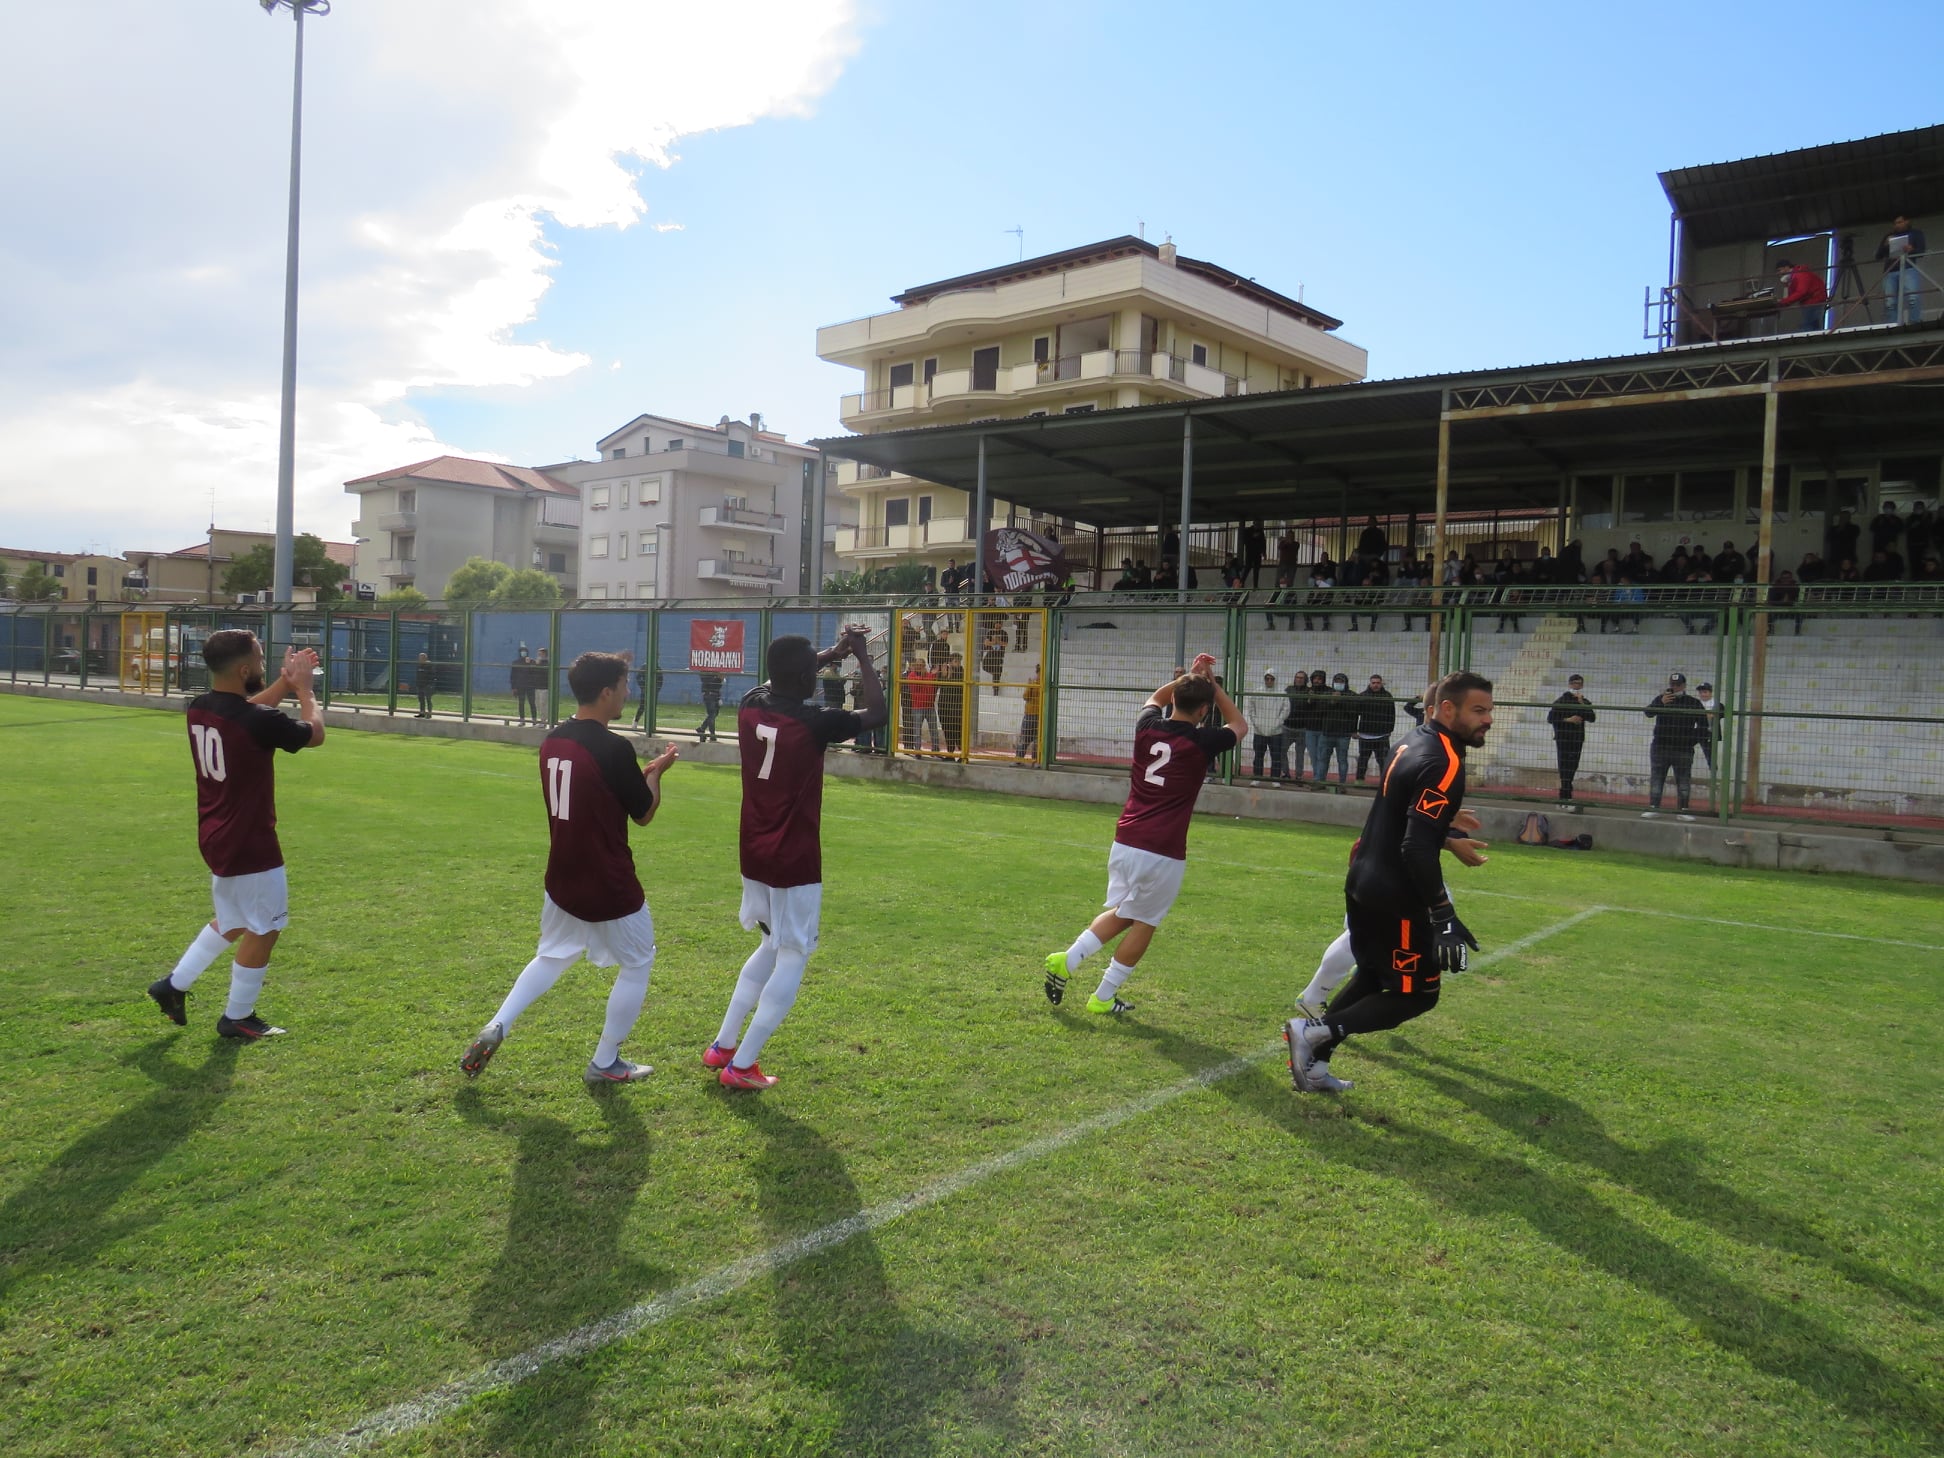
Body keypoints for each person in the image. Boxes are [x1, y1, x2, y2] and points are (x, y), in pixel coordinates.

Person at [459, 654, 679, 1085]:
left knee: (552, 955)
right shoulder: (613, 747)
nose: (628, 692)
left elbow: (596, 793)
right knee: (638, 963)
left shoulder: (553, 739)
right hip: (608, 880)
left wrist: (638, 775)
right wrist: (656, 775)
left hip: (562, 877)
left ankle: (498, 1024)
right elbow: (644, 813)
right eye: (624, 684)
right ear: (606, 692)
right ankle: (606, 1062)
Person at [1287, 670, 1493, 1092]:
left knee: (1372, 975)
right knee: (1418, 994)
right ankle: (1311, 1033)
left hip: (1363, 876)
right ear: (1447, 709)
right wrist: (1443, 915)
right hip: (1395, 894)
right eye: (1478, 710)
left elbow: (1404, 811)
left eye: (1489, 710)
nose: (1487, 719)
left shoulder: (1412, 740)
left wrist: (1447, 829)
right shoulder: (1445, 762)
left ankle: (1315, 1066)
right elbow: (1415, 847)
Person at [705, 629, 887, 1089]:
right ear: (807, 676)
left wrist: (831, 653)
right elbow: (878, 714)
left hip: (754, 850)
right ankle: (741, 1066)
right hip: (793, 857)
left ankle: (723, 1045)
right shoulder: (815, 721)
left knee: (770, 945)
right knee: (793, 953)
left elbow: (782, 677)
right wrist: (861, 657)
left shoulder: (750, 702)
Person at [1041, 660, 1246, 1015]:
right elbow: (1239, 725)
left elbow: (1154, 699)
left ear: (1174, 698)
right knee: (1146, 922)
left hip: (1126, 838)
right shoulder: (1202, 741)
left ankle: (1067, 961)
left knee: (1127, 913)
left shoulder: (1148, 726)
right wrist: (1212, 686)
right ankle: (1103, 997)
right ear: (1203, 710)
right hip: (1162, 848)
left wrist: (1186, 680)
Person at [149, 630, 325, 1039]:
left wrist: (283, 682)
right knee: (265, 928)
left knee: (232, 920)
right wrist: (304, 690)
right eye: (260, 660)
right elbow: (314, 733)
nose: (263, 665)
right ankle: (238, 1017)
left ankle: (172, 986)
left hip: (216, 832)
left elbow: (246, 714)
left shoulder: (200, 707)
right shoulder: (255, 720)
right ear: (244, 670)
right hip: (249, 840)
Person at [1292, 805, 1490, 1024]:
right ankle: (1316, 1000)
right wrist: (1449, 837)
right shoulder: (1425, 785)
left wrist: (1447, 824)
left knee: (1365, 930)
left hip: (1384, 854)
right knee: (1367, 931)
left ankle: (1322, 997)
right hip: (1384, 856)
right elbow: (1402, 821)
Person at [1642, 672, 1705, 820]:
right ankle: (1654, 807)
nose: (1675, 687)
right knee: (1657, 779)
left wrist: (1690, 741)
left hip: (1683, 749)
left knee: (1683, 781)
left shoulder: (1693, 703)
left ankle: (1683, 810)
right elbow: (1648, 713)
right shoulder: (1661, 699)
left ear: (1684, 685)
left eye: (1678, 685)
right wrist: (1660, 703)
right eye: (1673, 685)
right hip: (1661, 747)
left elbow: (1703, 725)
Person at [1547, 673, 1596, 810]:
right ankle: (1565, 796)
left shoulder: (1584, 701)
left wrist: (1582, 704)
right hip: (1563, 738)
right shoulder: (1561, 701)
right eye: (1574, 683)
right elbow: (1551, 718)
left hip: (1577, 739)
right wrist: (1568, 720)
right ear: (1569, 684)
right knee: (1564, 767)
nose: (1576, 686)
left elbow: (1592, 717)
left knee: (1573, 766)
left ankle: (1566, 796)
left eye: (1579, 683)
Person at [1874, 214, 1927, 327]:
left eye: (1899, 222)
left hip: (1908, 268)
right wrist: (1885, 245)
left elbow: (1921, 251)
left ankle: (1914, 323)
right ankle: (1893, 325)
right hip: (1890, 271)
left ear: (1907, 221)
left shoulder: (1916, 233)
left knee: (1913, 298)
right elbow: (1878, 256)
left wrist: (1911, 250)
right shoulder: (1888, 236)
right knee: (1890, 302)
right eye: (1895, 223)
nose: (1896, 225)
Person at [1353, 672, 1396, 782]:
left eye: (1378, 683)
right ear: (1370, 683)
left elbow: (1391, 715)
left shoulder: (1387, 696)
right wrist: (1353, 730)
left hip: (1382, 736)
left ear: (1381, 683)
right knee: (1363, 760)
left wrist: (1389, 730)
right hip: (1365, 735)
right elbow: (1355, 715)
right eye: (1373, 683)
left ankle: (1384, 782)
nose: (1376, 685)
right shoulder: (1362, 696)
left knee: (1383, 761)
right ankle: (1359, 780)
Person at [1320, 672, 1356, 784]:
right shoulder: (1327, 694)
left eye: (1341, 681)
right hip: (1327, 733)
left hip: (1343, 734)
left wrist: (1341, 700)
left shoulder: (1352, 695)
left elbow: (1354, 713)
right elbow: (1320, 710)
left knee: (1342, 760)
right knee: (1323, 759)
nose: (1339, 683)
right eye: (1336, 681)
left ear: (1346, 683)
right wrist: (1332, 701)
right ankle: (1320, 782)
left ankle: (1342, 784)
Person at [1251, 670, 1287, 780]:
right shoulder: (1257, 692)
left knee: (1276, 756)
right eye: (1267, 678)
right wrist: (1256, 723)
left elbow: (1286, 710)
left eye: (1272, 679)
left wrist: (1277, 723)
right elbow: (1251, 710)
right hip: (1259, 731)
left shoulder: (1282, 694)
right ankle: (1257, 777)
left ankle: (1275, 779)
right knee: (1258, 756)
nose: (1269, 681)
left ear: (1276, 680)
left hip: (1276, 731)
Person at [1776, 258, 1828, 332]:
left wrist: (1783, 302)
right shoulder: (1795, 276)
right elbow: (1792, 295)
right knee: (1812, 325)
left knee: (1809, 326)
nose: (1778, 273)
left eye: (1779, 270)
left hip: (1814, 301)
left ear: (1786, 267)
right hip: (1810, 302)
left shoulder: (1800, 274)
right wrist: (1786, 286)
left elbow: (1801, 292)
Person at [905, 658, 942, 752]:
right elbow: (915, 687)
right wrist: (922, 676)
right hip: (917, 707)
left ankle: (935, 749)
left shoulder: (930, 676)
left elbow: (934, 687)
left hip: (930, 707)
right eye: (917, 665)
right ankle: (917, 749)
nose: (919, 667)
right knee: (917, 731)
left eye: (921, 665)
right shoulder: (911, 675)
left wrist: (934, 674)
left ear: (924, 666)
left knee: (934, 730)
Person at [1694, 681, 1723, 781]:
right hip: (1698, 731)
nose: (1703, 694)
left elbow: (1723, 713)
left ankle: (1714, 775)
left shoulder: (1717, 704)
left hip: (1710, 734)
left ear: (1710, 692)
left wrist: (1713, 715)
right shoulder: (1696, 704)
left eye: (1705, 692)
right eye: (1701, 692)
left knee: (1709, 754)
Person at [938, 653, 965, 756]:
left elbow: (958, 686)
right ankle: (950, 753)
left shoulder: (961, 671)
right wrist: (945, 676)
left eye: (959, 661)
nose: (958, 663)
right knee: (947, 729)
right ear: (950, 662)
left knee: (958, 729)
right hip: (944, 706)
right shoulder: (944, 671)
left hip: (956, 706)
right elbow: (939, 684)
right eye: (956, 661)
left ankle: (962, 753)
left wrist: (949, 677)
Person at [1014, 664, 1042, 762]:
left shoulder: (1033, 682)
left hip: (1031, 714)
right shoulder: (1038, 682)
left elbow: (1025, 697)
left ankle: (1019, 759)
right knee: (1037, 739)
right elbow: (1026, 696)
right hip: (1038, 715)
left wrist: (1030, 685)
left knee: (1025, 738)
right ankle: (1036, 760)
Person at [511, 646, 538, 725]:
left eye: (525, 651)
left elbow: (534, 672)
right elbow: (513, 675)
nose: (523, 653)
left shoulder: (532, 661)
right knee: (521, 703)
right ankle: (522, 719)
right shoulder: (516, 662)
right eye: (522, 651)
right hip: (520, 686)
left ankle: (534, 719)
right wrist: (513, 687)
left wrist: (530, 664)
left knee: (532, 703)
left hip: (530, 686)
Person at [697, 670, 726, 742]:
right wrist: (716, 674)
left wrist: (718, 698)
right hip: (709, 695)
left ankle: (702, 729)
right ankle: (712, 734)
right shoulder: (707, 675)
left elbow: (720, 680)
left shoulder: (717, 676)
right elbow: (703, 676)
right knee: (712, 714)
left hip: (715, 695)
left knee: (714, 714)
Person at [1241, 520, 1267, 588]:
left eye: (1258, 524)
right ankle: (1241, 582)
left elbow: (1263, 542)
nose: (1258, 526)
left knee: (1256, 569)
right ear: (1254, 524)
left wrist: (1264, 552)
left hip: (1257, 553)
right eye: (1257, 524)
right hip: (1250, 552)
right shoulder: (1248, 531)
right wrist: (1253, 537)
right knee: (1248, 567)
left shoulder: (1260, 532)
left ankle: (1255, 585)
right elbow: (1245, 541)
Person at [414, 650, 435, 718]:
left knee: (428, 699)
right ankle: (422, 712)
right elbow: (417, 675)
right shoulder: (418, 665)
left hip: (427, 685)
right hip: (420, 685)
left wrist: (430, 684)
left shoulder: (429, 665)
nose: (420, 659)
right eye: (419, 658)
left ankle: (429, 713)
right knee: (421, 700)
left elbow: (432, 675)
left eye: (421, 658)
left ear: (425, 658)